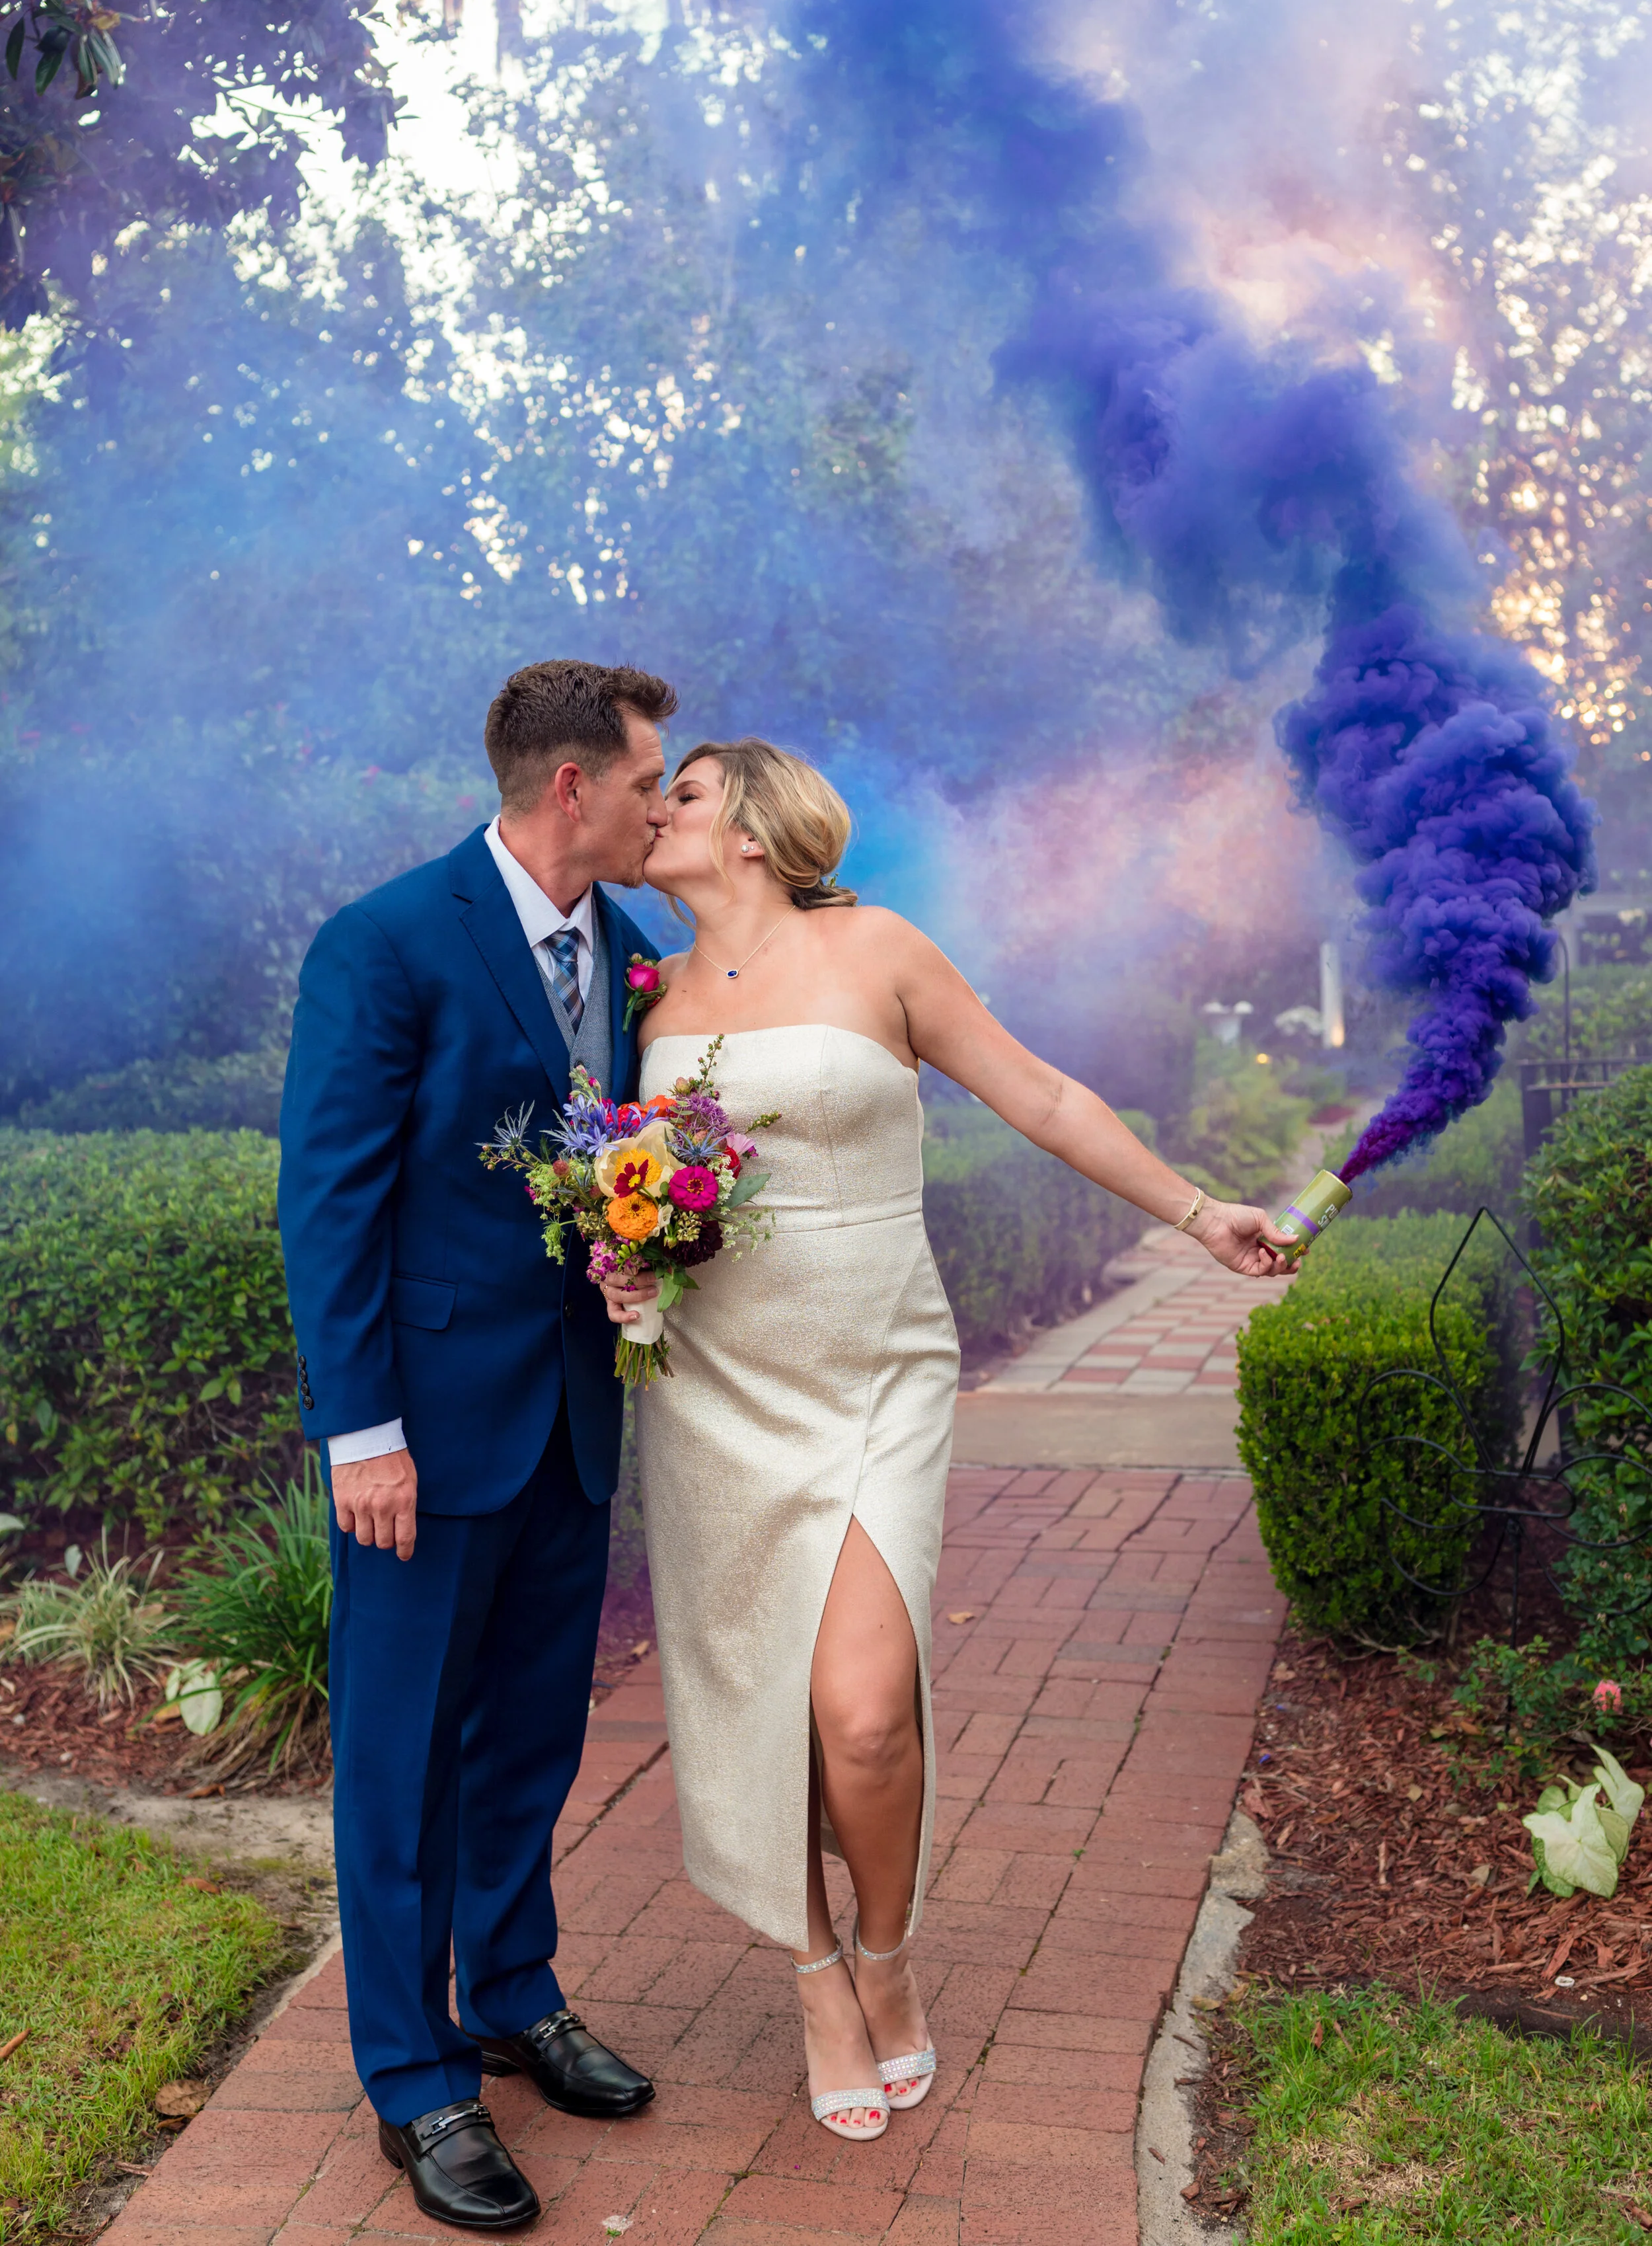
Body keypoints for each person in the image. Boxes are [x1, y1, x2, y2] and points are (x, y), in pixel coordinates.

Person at [603, 737, 1293, 2143]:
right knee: (753, 1701)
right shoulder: (647, 994)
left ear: (744, 822)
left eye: (675, 788)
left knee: (861, 1711)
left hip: (874, 1376)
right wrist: (623, 1266)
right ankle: (810, 1977)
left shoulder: (879, 949)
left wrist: (1194, 1210)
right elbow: (632, 1190)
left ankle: (885, 1954)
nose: (650, 808)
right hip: (711, 1383)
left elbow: (1036, 1094)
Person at [278, 660, 677, 2234]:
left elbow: (612, 1174)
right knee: (396, 1759)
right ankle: (416, 2077)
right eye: (652, 778)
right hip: (421, 1445)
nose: (665, 803)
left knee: (527, 1738)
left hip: (572, 1421)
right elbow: (330, 1202)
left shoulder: (634, 953)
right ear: (571, 786)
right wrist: (359, 1432)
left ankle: (514, 1993)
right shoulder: (382, 944)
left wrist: (640, 1260)